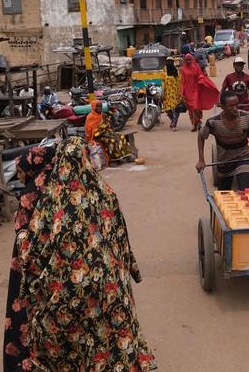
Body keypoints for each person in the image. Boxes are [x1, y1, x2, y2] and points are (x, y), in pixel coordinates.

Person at [15, 137, 156, 371]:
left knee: (70, 346)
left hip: (69, 295)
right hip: (110, 289)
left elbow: (32, 254)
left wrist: (22, 243)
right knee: (113, 338)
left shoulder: (50, 204)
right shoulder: (105, 194)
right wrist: (132, 270)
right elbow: (122, 239)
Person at [4, 146, 56, 372]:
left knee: (30, 318)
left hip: (31, 269)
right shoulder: (60, 186)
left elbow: (22, 233)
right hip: (52, 267)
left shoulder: (31, 194)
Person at [196, 90, 249, 190]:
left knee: (244, 189)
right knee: (224, 192)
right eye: (231, 106)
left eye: (236, 105)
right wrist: (201, 160)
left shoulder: (246, 117)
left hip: (243, 157)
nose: (235, 108)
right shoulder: (213, 122)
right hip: (224, 161)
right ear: (222, 107)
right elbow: (201, 136)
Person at [180, 53, 220, 132]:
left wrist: (201, 79)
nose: (188, 61)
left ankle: (197, 122)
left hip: (196, 89)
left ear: (192, 60)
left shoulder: (196, 67)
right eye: (186, 60)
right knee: (190, 109)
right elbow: (182, 81)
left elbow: (200, 75)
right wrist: (182, 92)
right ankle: (195, 123)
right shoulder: (183, 69)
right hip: (187, 91)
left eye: (189, 60)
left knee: (196, 107)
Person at [164, 56, 184, 131]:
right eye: (168, 62)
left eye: (170, 62)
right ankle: (173, 120)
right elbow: (162, 83)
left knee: (176, 109)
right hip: (167, 94)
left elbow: (180, 82)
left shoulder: (176, 71)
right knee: (167, 110)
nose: (169, 63)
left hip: (175, 93)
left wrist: (181, 93)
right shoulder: (164, 71)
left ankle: (174, 123)